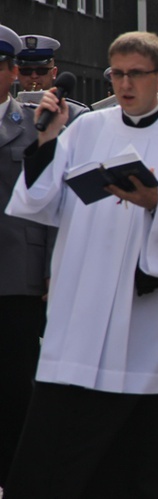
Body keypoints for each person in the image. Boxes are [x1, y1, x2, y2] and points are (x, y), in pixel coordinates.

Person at [3, 31, 158, 498]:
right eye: (118, 74)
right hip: (81, 325)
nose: (125, 84)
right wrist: (46, 137)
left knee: (131, 470)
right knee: (47, 468)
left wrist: (156, 204)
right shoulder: (86, 129)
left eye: (136, 74)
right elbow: (36, 203)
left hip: (147, 328)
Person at [0, 24, 51, 489]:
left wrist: (54, 269)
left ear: (13, 73)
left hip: (20, 272)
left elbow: (55, 203)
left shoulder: (34, 124)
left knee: (18, 383)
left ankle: (18, 477)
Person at [16, 34, 88, 124]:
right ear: (16, 73)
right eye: (26, 71)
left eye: (41, 70)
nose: (34, 76)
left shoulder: (75, 113)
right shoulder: (6, 110)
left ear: (53, 73)